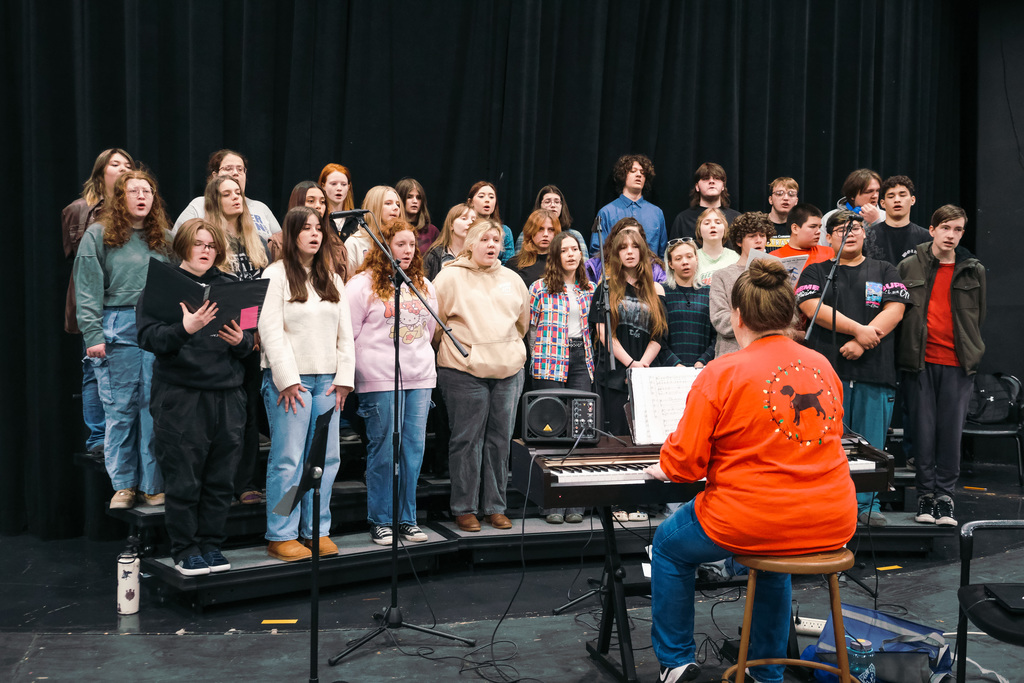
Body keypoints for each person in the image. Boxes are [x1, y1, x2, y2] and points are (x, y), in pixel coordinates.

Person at [645, 259, 857, 683]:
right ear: (793, 316)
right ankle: (768, 672)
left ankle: (677, 664)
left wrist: (662, 464)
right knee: (775, 555)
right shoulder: (823, 366)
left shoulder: (721, 371)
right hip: (832, 519)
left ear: (738, 317)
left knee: (667, 547)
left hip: (749, 519)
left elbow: (685, 466)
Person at [136, 219, 252, 576]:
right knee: (184, 477)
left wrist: (240, 342)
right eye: (198, 244)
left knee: (221, 478)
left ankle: (211, 544)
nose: (205, 250)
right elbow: (148, 338)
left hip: (227, 395)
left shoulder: (231, 286)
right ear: (184, 246)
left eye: (211, 245)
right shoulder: (163, 286)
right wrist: (184, 329)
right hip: (181, 396)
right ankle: (185, 548)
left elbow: (249, 341)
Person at [797, 210, 909, 527]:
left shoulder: (885, 269)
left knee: (870, 444)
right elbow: (811, 308)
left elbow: (896, 310)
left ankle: (866, 506)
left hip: (876, 371)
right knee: (825, 441)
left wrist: (862, 341)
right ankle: (826, 503)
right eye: (843, 228)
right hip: (826, 377)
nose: (852, 232)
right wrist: (858, 330)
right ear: (829, 237)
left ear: (864, 234)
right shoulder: (816, 273)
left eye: (857, 227)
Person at [259, 207, 355, 561]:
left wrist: (344, 379)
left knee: (327, 459)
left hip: (328, 382)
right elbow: (270, 331)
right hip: (293, 383)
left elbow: (345, 335)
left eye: (319, 228)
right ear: (292, 233)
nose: (315, 234)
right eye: (307, 229)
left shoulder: (332, 278)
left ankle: (316, 528)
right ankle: (281, 532)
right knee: (289, 459)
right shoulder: (276, 274)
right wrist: (286, 379)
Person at [74, 170, 171, 509]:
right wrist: (93, 334)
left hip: (156, 327)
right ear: (120, 198)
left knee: (152, 408)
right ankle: (124, 484)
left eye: (148, 191)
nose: (142, 196)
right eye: (134, 191)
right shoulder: (98, 235)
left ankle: (151, 484)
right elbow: (86, 290)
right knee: (121, 409)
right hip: (118, 325)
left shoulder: (164, 238)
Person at [433, 220, 530, 533]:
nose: (491, 245)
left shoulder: (513, 279)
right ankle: (464, 508)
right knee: (466, 440)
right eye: (485, 239)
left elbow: (522, 324)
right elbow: (436, 324)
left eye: (496, 240)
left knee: (500, 441)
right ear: (470, 243)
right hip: (463, 370)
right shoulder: (449, 277)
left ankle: (495, 507)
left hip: (508, 370)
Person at [347, 219, 437, 545]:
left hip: (419, 377)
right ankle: (381, 520)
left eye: (412, 245)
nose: (408, 251)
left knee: (413, 450)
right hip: (379, 378)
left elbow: (429, 331)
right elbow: (349, 334)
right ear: (383, 246)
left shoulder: (423, 284)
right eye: (400, 244)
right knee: (384, 450)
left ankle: (407, 518)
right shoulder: (361, 285)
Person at [898, 205, 986, 528]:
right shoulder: (909, 265)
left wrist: (971, 351)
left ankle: (945, 497)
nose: (951, 235)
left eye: (958, 229)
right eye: (946, 228)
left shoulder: (972, 269)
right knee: (922, 430)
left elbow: (978, 315)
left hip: (958, 363)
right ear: (932, 229)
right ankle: (925, 495)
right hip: (919, 361)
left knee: (950, 432)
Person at [204, 174, 272, 505]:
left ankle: (246, 483)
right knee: (220, 414)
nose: (235, 198)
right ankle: (218, 482)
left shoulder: (254, 238)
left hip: (252, 336)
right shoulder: (207, 239)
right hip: (218, 335)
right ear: (214, 200)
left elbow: (264, 289)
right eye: (227, 193)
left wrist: (258, 328)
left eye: (239, 193)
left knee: (247, 413)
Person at [63, 148, 135, 457]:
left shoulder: (138, 205)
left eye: (127, 165)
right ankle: (97, 438)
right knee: (94, 371)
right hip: (97, 299)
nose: (122, 168)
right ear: (100, 172)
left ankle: (125, 438)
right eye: (114, 164)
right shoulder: (80, 209)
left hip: (129, 303)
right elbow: (73, 254)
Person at [528, 231, 595, 525]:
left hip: (581, 356)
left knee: (580, 429)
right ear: (555, 256)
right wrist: (537, 355)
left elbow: (592, 329)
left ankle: (576, 501)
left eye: (575, 249)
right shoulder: (540, 288)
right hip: (548, 360)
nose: (571, 254)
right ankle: (551, 502)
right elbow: (528, 328)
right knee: (550, 430)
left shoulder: (589, 288)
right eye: (565, 250)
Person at [590, 227, 670, 438]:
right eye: (623, 247)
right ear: (616, 254)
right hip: (615, 376)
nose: (630, 252)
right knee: (616, 437)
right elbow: (603, 331)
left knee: (646, 437)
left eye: (635, 246)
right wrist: (630, 365)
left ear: (643, 252)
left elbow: (659, 335)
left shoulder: (656, 289)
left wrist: (642, 366)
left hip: (646, 372)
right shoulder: (605, 288)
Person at [709, 213, 777, 358]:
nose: (758, 240)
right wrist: (760, 318)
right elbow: (720, 321)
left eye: (762, 235)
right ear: (740, 241)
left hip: (768, 352)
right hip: (733, 354)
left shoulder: (775, 273)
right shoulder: (722, 276)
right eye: (752, 236)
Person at [173, 150, 280, 239]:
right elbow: (177, 242)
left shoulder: (260, 207)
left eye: (240, 169)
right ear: (215, 176)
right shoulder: (199, 204)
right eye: (228, 168)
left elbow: (282, 243)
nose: (235, 173)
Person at [270, 181, 348, 282]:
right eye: (311, 201)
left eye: (322, 202)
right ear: (297, 203)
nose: (318, 206)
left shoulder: (336, 245)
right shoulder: (278, 243)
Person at [591, 154, 668, 257]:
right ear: (622, 175)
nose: (639, 175)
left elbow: (663, 254)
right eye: (633, 171)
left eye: (642, 172)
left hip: (651, 272)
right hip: (616, 271)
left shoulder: (656, 213)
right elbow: (597, 253)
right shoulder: (607, 212)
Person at [662, 239, 715, 368]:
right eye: (678, 258)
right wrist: (675, 364)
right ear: (670, 264)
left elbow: (717, 336)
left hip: (703, 369)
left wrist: (703, 360)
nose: (685, 262)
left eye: (689, 256)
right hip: (669, 371)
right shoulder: (662, 292)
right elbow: (657, 337)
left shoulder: (710, 292)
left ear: (696, 259)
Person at [867, 175, 931, 266]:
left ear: (912, 200)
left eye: (902, 195)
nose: (897, 200)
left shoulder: (926, 238)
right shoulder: (867, 237)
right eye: (891, 196)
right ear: (882, 203)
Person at [668, 162, 741, 241]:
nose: (711, 181)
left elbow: (753, 247)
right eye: (706, 178)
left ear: (723, 186)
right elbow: (671, 251)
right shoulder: (683, 219)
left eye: (717, 178)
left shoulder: (737, 219)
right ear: (697, 187)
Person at [514, 185, 589, 259]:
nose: (553, 205)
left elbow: (584, 267)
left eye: (557, 202)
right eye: (547, 202)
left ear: (561, 206)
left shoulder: (575, 235)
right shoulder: (526, 234)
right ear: (540, 205)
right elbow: (517, 264)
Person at [585, 217, 667, 284]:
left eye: (635, 243)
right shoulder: (594, 266)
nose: (629, 250)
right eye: (624, 245)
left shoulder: (655, 268)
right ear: (614, 241)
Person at [819, 168, 886, 245]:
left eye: (877, 191)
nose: (875, 196)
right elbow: (822, 249)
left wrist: (876, 222)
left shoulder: (885, 216)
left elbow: (889, 249)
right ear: (852, 196)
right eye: (868, 192)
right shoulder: (830, 217)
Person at [345, 185, 404, 273]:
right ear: (374, 207)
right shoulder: (355, 243)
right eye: (388, 203)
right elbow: (346, 281)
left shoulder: (402, 242)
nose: (396, 208)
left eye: (398, 204)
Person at [770, 203, 833, 271]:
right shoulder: (774, 259)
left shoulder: (831, 253)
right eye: (812, 226)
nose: (818, 231)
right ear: (795, 228)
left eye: (819, 227)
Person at [466, 181, 516, 264]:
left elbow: (508, 264)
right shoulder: (465, 227)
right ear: (470, 202)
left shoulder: (505, 231)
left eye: (491, 197)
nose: (487, 200)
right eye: (481, 196)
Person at [424, 203, 476, 279]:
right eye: (464, 218)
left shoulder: (478, 254)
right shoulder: (435, 255)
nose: (470, 223)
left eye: (473, 220)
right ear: (451, 225)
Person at [513, 209, 560, 287]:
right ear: (530, 231)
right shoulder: (514, 264)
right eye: (540, 229)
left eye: (551, 230)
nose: (545, 234)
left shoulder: (562, 263)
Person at [694, 207, 739, 286]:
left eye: (718, 222)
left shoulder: (736, 258)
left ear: (725, 229)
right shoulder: (693, 259)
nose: (713, 226)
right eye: (707, 223)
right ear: (699, 230)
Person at [396, 178, 438, 254]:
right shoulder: (391, 230)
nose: (415, 201)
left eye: (418, 197)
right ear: (400, 199)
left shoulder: (432, 231)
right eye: (409, 197)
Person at [320, 163, 360, 242]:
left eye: (343, 184)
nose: (339, 188)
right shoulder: (319, 218)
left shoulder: (356, 220)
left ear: (348, 187)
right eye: (333, 184)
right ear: (323, 186)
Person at [765, 177, 799, 251]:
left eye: (791, 194)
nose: (786, 198)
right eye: (779, 194)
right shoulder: (759, 224)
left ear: (796, 201)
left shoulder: (801, 226)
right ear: (770, 200)